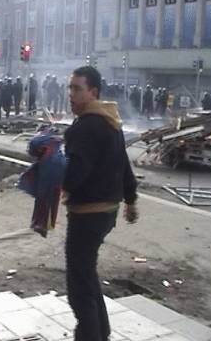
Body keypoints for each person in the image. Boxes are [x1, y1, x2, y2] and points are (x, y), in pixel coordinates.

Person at [63, 66, 138, 341]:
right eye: (70, 88)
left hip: (87, 214)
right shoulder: (110, 121)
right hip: (107, 212)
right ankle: (102, 332)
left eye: (77, 89)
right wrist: (131, 200)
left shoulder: (86, 126)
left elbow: (73, 176)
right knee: (87, 274)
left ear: (93, 92)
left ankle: (90, 336)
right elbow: (124, 163)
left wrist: (51, 169)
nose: (71, 94)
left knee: (78, 286)